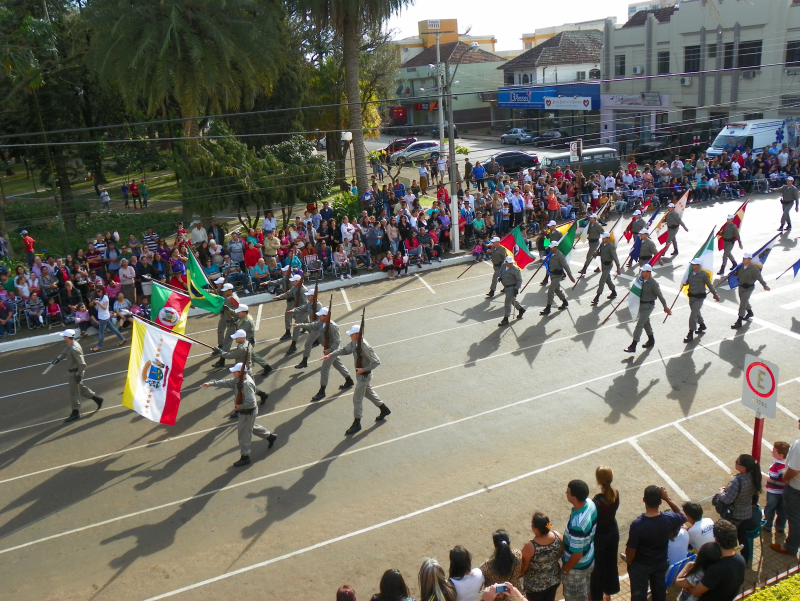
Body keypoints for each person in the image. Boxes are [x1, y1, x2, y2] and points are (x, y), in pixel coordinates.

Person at [201, 362, 276, 467]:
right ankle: (269, 437)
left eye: (234, 372)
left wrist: (240, 407)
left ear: (240, 372)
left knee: (243, 435)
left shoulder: (246, 384)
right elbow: (227, 382)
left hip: (247, 412)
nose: (233, 373)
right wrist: (211, 384)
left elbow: (251, 402)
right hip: (246, 413)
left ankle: (245, 457)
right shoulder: (239, 379)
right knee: (250, 427)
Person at [322, 324, 390, 435]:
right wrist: (331, 354)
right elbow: (345, 350)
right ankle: (384, 409)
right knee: (368, 393)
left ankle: (357, 423)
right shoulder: (355, 343)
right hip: (361, 376)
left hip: (364, 376)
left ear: (357, 335)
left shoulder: (365, 347)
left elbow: (376, 361)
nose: (350, 336)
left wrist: (364, 369)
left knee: (357, 399)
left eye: (352, 334)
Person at [623, 485, 685, 601]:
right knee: (659, 591)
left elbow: (631, 550)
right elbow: (683, 516)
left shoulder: (637, 524)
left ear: (644, 500)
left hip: (641, 565)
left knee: (638, 595)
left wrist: (630, 561)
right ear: (660, 502)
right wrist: (668, 498)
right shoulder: (669, 518)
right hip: (660, 562)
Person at [682, 520, 745, 600]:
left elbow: (696, 592)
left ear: (716, 539)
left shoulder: (716, 569)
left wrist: (687, 588)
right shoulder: (741, 559)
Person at [715, 454, 762, 561]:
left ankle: (730, 559)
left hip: (735, 515)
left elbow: (727, 499)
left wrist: (721, 492)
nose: (735, 463)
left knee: (730, 538)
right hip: (747, 513)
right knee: (743, 537)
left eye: (737, 462)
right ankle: (745, 559)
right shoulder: (754, 476)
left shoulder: (737, 481)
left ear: (743, 468)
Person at [52, 329, 104, 423]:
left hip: (75, 373)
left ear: (67, 337)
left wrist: (79, 375)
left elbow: (82, 364)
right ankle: (97, 399)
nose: (63, 338)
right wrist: (58, 359)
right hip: (75, 372)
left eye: (64, 336)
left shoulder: (74, 348)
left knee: (74, 393)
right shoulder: (71, 345)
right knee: (81, 389)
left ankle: (75, 412)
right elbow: (65, 351)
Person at [561, 480, 597, 601]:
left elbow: (577, 554)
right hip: (589, 558)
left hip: (577, 568)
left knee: (575, 597)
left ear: (574, 498)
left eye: (568, 492)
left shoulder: (578, 524)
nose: (566, 492)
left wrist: (566, 569)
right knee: (586, 591)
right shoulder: (590, 504)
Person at [624, 265, 671, 353]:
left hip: (648, 306)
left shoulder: (653, 283)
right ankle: (651, 339)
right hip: (641, 305)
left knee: (640, 324)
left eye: (643, 271)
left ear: (648, 272)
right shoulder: (640, 280)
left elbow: (660, 295)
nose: (641, 272)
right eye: (641, 271)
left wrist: (665, 306)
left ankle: (633, 345)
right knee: (646, 323)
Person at [589, 467, 619, 601]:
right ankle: (608, 591)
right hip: (613, 532)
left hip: (600, 537)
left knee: (598, 568)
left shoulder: (596, 502)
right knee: (611, 562)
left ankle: (598, 596)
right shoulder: (615, 494)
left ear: (598, 481)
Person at [520, 512, 562, 601]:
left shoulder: (530, 546)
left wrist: (517, 575)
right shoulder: (557, 536)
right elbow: (560, 553)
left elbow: (524, 567)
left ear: (536, 530)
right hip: (553, 581)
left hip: (535, 587)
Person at [682, 257, 720, 342]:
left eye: (694, 265)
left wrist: (715, 294)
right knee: (696, 312)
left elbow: (709, 285)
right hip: (691, 297)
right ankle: (702, 325)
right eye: (692, 264)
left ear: (698, 266)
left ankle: (690, 333)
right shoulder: (690, 273)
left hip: (699, 298)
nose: (692, 266)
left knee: (693, 315)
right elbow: (689, 282)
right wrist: (685, 282)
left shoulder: (703, 275)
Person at [731, 252, 770, 329]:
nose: (743, 260)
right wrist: (734, 273)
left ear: (750, 260)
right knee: (744, 301)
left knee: (742, 304)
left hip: (748, 288)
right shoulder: (740, 267)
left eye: (745, 259)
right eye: (743, 258)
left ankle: (739, 321)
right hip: (741, 287)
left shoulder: (754, 269)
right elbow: (737, 274)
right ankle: (750, 312)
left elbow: (759, 278)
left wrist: (765, 286)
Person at [233, 305, 273, 377]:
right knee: (253, 355)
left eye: (239, 312)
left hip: (248, 342)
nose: (237, 313)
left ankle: (245, 373)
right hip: (247, 341)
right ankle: (267, 367)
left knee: (245, 357)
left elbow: (240, 331)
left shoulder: (247, 321)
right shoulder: (244, 318)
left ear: (244, 313)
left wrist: (235, 324)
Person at [540, 240, 574, 316]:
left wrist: (570, 276)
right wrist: (547, 261)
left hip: (558, 275)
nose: (550, 248)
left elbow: (566, 266)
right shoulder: (551, 254)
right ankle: (564, 301)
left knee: (550, 290)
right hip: (552, 275)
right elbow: (552, 262)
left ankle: (548, 308)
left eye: (552, 247)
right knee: (557, 290)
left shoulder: (560, 255)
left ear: (556, 247)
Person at [763, 440, 790, 534]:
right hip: (784, 492)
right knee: (783, 510)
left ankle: (767, 526)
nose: (772, 452)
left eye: (774, 452)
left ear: (781, 455)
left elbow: (772, 479)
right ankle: (780, 526)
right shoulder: (788, 465)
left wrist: (762, 474)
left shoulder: (776, 466)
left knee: (770, 509)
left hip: (773, 492)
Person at [211, 283, 240, 367]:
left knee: (227, 342)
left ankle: (222, 360)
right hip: (229, 320)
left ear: (230, 291)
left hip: (233, 322)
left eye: (225, 291)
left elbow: (237, 311)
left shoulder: (231, 299)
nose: (223, 292)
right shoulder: (228, 297)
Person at [590, 232, 621, 306]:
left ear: (608, 238)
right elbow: (601, 253)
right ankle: (613, 292)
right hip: (603, 264)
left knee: (602, 280)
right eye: (602, 238)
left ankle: (597, 297)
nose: (602, 239)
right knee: (607, 280)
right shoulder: (602, 244)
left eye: (604, 238)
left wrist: (618, 267)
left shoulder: (611, 246)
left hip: (608, 265)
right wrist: (596, 253)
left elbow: (615, 257)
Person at [497, 256, 524, 326]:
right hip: (506, 287)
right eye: (509, 263)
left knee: (507, 303)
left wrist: (516, 288)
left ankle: (506, 318)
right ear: (506, 262)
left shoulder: (515, 270)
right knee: (512, 300)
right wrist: (499, 277)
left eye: (511, 262)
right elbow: (500, 272)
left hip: (512, 287)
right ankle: (521, 309)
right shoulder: (503, 266)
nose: (511, 264)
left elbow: (519, 280)